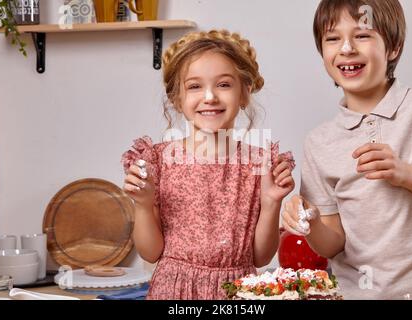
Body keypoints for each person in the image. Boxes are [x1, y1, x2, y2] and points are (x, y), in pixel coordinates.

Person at [282, 0, 412, 299]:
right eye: (332, 38)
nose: (346, 48)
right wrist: (311, 220)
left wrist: (405, 174)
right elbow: (333, 243)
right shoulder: (319, 142)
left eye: (362, 35)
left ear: (393, 47)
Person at [121, 30, 295, 300]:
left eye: (224, 84)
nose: (210, 96)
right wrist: (142, 205)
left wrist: (272, 202)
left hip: (238, 293)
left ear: (244, 93)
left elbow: (261, 257)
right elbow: (150, 252)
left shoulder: (259, 164)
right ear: (177, 99)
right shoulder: (158, 162)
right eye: (194, 86)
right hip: (174, 292)